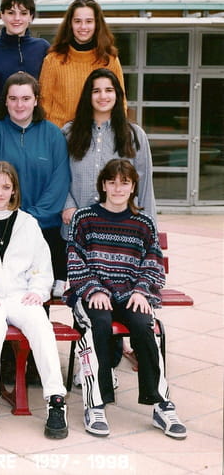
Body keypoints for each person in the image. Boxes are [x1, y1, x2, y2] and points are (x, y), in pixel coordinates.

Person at [66, 159, 186, 439]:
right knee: (97, 324)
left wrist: (142, 291)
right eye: (112, 182)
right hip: (93, 293)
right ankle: (95, 404)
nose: (118, 188)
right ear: (103, 185)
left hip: (130, 293)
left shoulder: (143, 223)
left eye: (124, 183)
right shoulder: (84, 218)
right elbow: (74, 259)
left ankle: (161, 404)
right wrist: (94, 289)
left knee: (145, 325)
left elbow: (153, 263)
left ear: (133, 187)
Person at [0, 161, 68, 440]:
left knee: (40, 324)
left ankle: (56, 399)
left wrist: (38, 291)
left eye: (6, 187)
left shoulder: (28, 224)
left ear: (14, 190)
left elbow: (42, 267)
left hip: (20, 296)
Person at [0, 71, 69, 292]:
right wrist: (12, 217)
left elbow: (59, 183)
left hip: (45, 229)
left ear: (36, 100)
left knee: (37, 298)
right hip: (2, 229)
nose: (19, 105)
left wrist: (30, 218)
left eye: (26, 98)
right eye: (13, 98)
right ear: (5, 101)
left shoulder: (53, 135)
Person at [62, 68, 156, 238]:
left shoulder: (134, 135)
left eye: (109, 90)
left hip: (123, 231)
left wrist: (150, 232)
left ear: (117, 95)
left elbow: (145, 187)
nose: (103, 96)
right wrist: (67, 205)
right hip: (77, 228)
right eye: (96, 91)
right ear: (88, 96)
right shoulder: (69, 133)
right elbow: (58, 176)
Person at [39, 0, 124, 128]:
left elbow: (121, 102)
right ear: (70, 24)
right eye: (77, 21)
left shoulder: (110, 60)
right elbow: (43, 104)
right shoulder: (53, 60)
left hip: (98, 135)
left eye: (89, 21)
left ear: (97, 24)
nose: (83, 27)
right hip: (60, 135)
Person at [0, 0, 50, 127]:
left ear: (31, 17)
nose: (17, 18)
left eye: (23, 13)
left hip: (34, 127)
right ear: (2, 15)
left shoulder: (42, 48)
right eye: (11, 13)